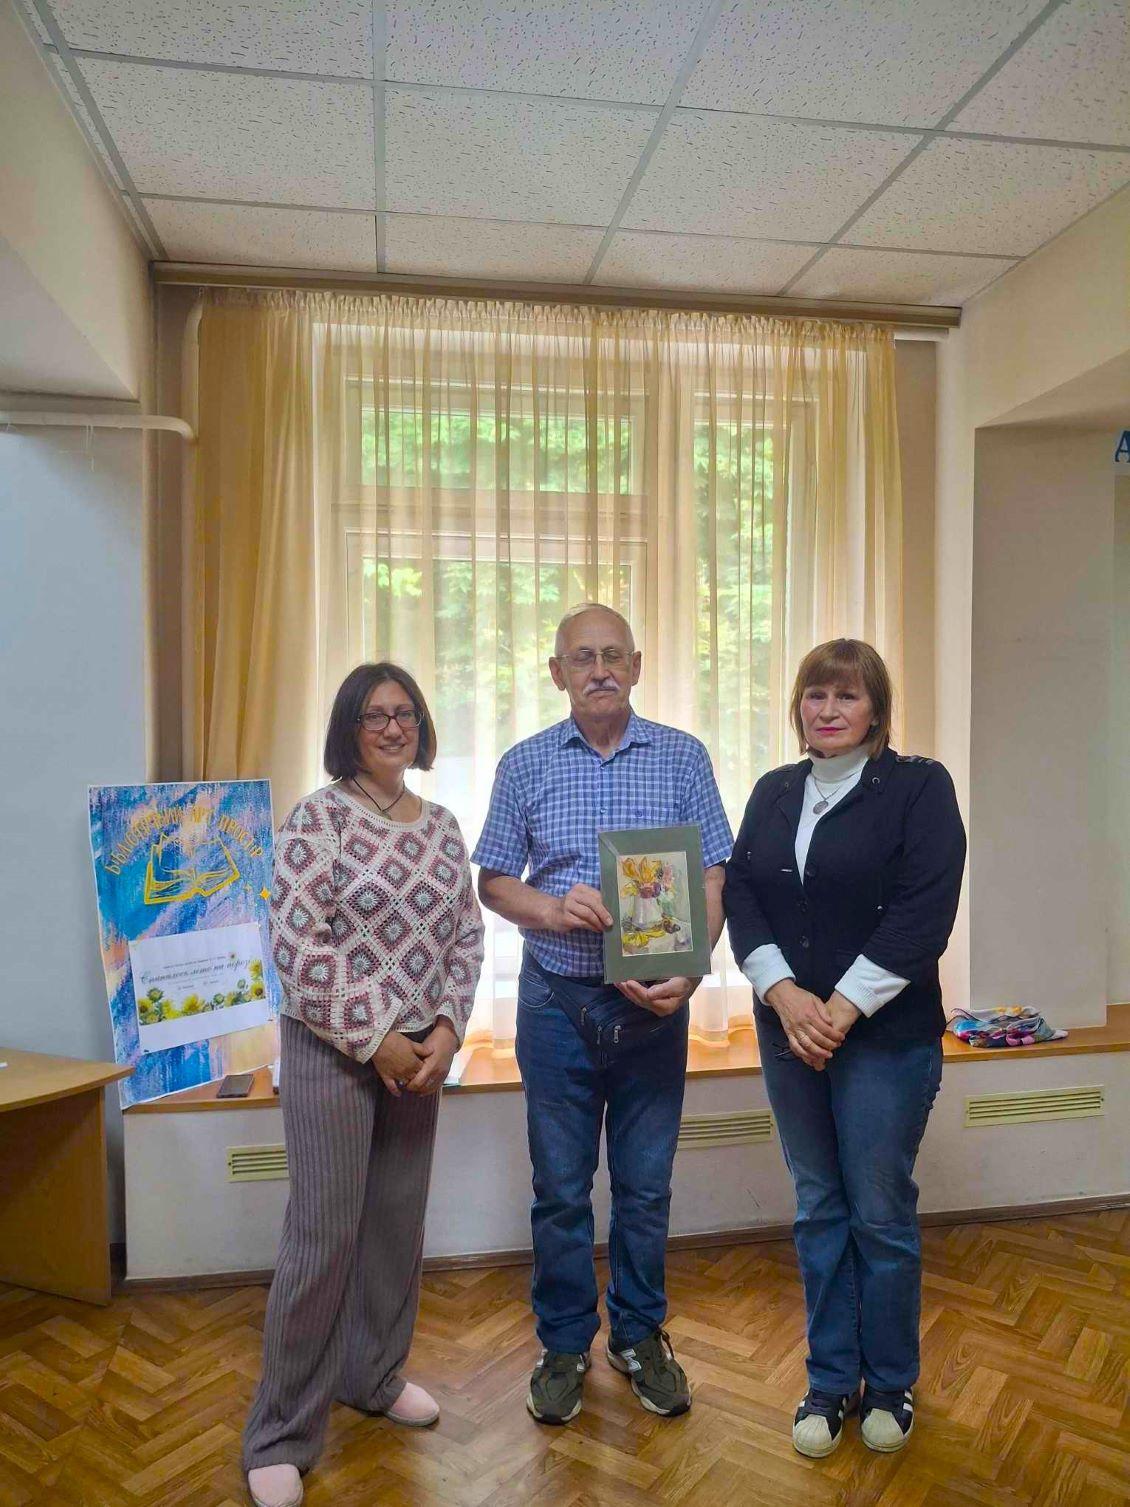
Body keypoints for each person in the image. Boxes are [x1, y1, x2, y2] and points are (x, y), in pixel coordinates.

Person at [473, 603, 732, 1425]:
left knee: (646, 1186)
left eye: (614, 654)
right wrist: (552, 910)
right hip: (556, 1000)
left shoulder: (683, 757)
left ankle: (640, 1335)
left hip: (656, 1005)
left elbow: (715, 875)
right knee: (559, 1188)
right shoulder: (524, 763)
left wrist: (690, 968)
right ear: (558, 672)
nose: (599, 670)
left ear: (638, 665)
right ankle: (562, 1344)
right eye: (582, 657)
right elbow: (492, 881)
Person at [243, 663, 484, 1507]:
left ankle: (372, 1375)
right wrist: (376, 1036)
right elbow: (296, 945)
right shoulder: (317, 819)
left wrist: (446, 1028)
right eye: (375, 714)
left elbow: (466, 937)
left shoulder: (443, 825)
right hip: (335, 1054)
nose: (392, 727)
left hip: (419, 1059)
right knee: (322, 1239)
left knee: (393, 1226)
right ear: (349, 727)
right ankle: (279, 1433)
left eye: (405, 712)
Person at [724, 638, 965, 1460]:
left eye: (846, 695)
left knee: (879, 1214)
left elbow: (922, 912)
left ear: (876, 710)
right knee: (819, 1209)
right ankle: (830, 1380)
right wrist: (785, 996)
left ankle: (890, 1380)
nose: (827, 709)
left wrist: (837, 1009)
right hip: (788, 1030)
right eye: (815, 694)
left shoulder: (919, 787)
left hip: (884, 1039)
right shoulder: (774, 790)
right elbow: (743, 894)